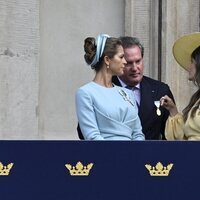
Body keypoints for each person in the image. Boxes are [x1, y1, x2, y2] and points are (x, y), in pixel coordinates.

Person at [75, 33, 144, 140]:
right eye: (121, 57)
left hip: (133, 155)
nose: (125, 62)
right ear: (107, 60)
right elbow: (92, 136)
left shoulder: (127, 93)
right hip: (103, 155)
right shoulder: (85, 93)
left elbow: (138, 134)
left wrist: (135, 155)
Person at [112, 36, 175, 140]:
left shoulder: (160, 90)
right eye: (129, 63)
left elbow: (170, 136)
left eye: (138, 61)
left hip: (152, 155)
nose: (135, 68)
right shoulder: (105, 88)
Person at [160, 32, 200, 140]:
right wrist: (172, 110)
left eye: (191, 62)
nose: (188, 66)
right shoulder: (197, 99)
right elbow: (182, 137)